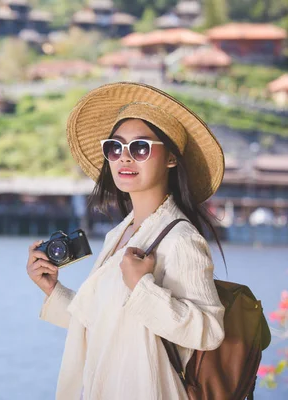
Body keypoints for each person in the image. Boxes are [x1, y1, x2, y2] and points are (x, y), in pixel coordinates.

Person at [26, 82, 226, 400]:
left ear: (171, 157)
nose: (124, 158)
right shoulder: (120, 234)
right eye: (115, 148)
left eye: (141, 148)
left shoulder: (181, 239)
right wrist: (52, 289)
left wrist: (141, 286)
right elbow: (104, 326)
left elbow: (208, 330)